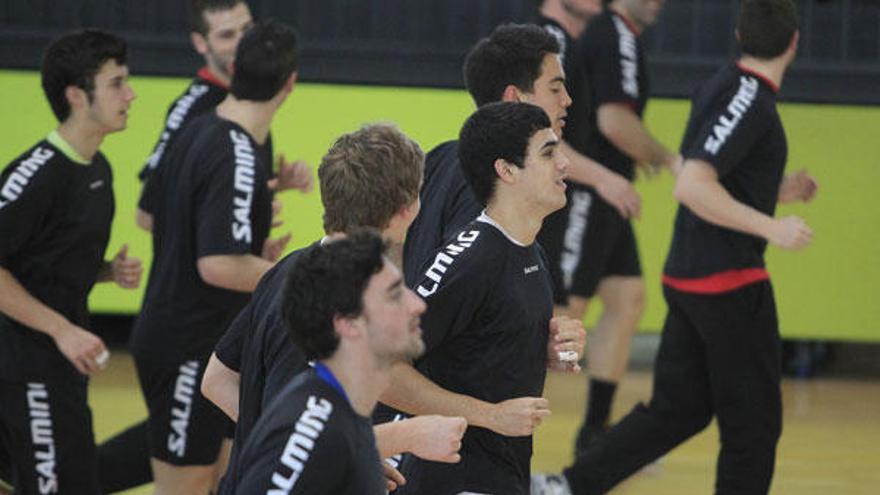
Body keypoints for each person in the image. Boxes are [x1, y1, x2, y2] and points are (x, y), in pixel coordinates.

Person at [531, 1, 817, 493]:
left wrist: (775, 188)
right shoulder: (749, 98)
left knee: (677, 410)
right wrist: (771, 228)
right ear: (794, 42)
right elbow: (693, 185)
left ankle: (568, 485)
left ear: (738, 34)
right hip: (728, 281)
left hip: (690, 275)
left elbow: (715, 174)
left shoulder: (722, 84)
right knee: (754, 425)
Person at [200, 123, 466, 493]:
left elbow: (218, 379)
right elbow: (301, 429)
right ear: (406, 209)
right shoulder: (337, 300)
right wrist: (398, 437)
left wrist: (340, 456)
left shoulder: (291, 268)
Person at [127, 20, 298, 495]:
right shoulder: (235, 151)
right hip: (186, 343)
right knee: (186, 483)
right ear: (290, 83)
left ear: (235, 68)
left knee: (222, 475)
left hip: (198, 338)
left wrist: (255, 255)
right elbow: (218, 264)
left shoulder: (201, 129)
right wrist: (301, 274)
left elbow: (163, 219)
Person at [380, 102, 585, 494]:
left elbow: (485, 347)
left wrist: (557, 350)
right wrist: (490, 416)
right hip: (454, 476)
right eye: (547, 152)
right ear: (506, 171)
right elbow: (385, 370)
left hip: (504, 471)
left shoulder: (530, 249)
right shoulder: (471, 260)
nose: (564, 164)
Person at [0, 29, 142, 494]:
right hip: (22, 363)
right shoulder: (36, 175)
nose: (131, 94)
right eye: (117, 83)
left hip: (62, 362)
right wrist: (61, 329)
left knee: (79, 478)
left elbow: (41, 262)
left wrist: (104, 271)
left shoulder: (97, 169)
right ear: (77, 96)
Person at [537, 0, 681, 454]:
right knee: (560, 321)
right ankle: (492, 423)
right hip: (583, 194)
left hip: (603, 193)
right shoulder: (568, 38)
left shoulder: (589, 38)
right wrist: (662, 160)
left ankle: (594, 434)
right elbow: (606, 122)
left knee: (626, 298)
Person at [227, 230, 432, 494]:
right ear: (348, 323)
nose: (417, 304)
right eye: (394, 295)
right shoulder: (313, 427)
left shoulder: (343, 413)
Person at [134, 0, 311, 230]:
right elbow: (148, 214)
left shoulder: (252, 97)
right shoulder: (193, 110)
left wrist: (273, 186)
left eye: (247, 30)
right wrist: (221, 244)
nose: (242, 43)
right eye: (227, 35)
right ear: (200, 43)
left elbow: (218, 186)